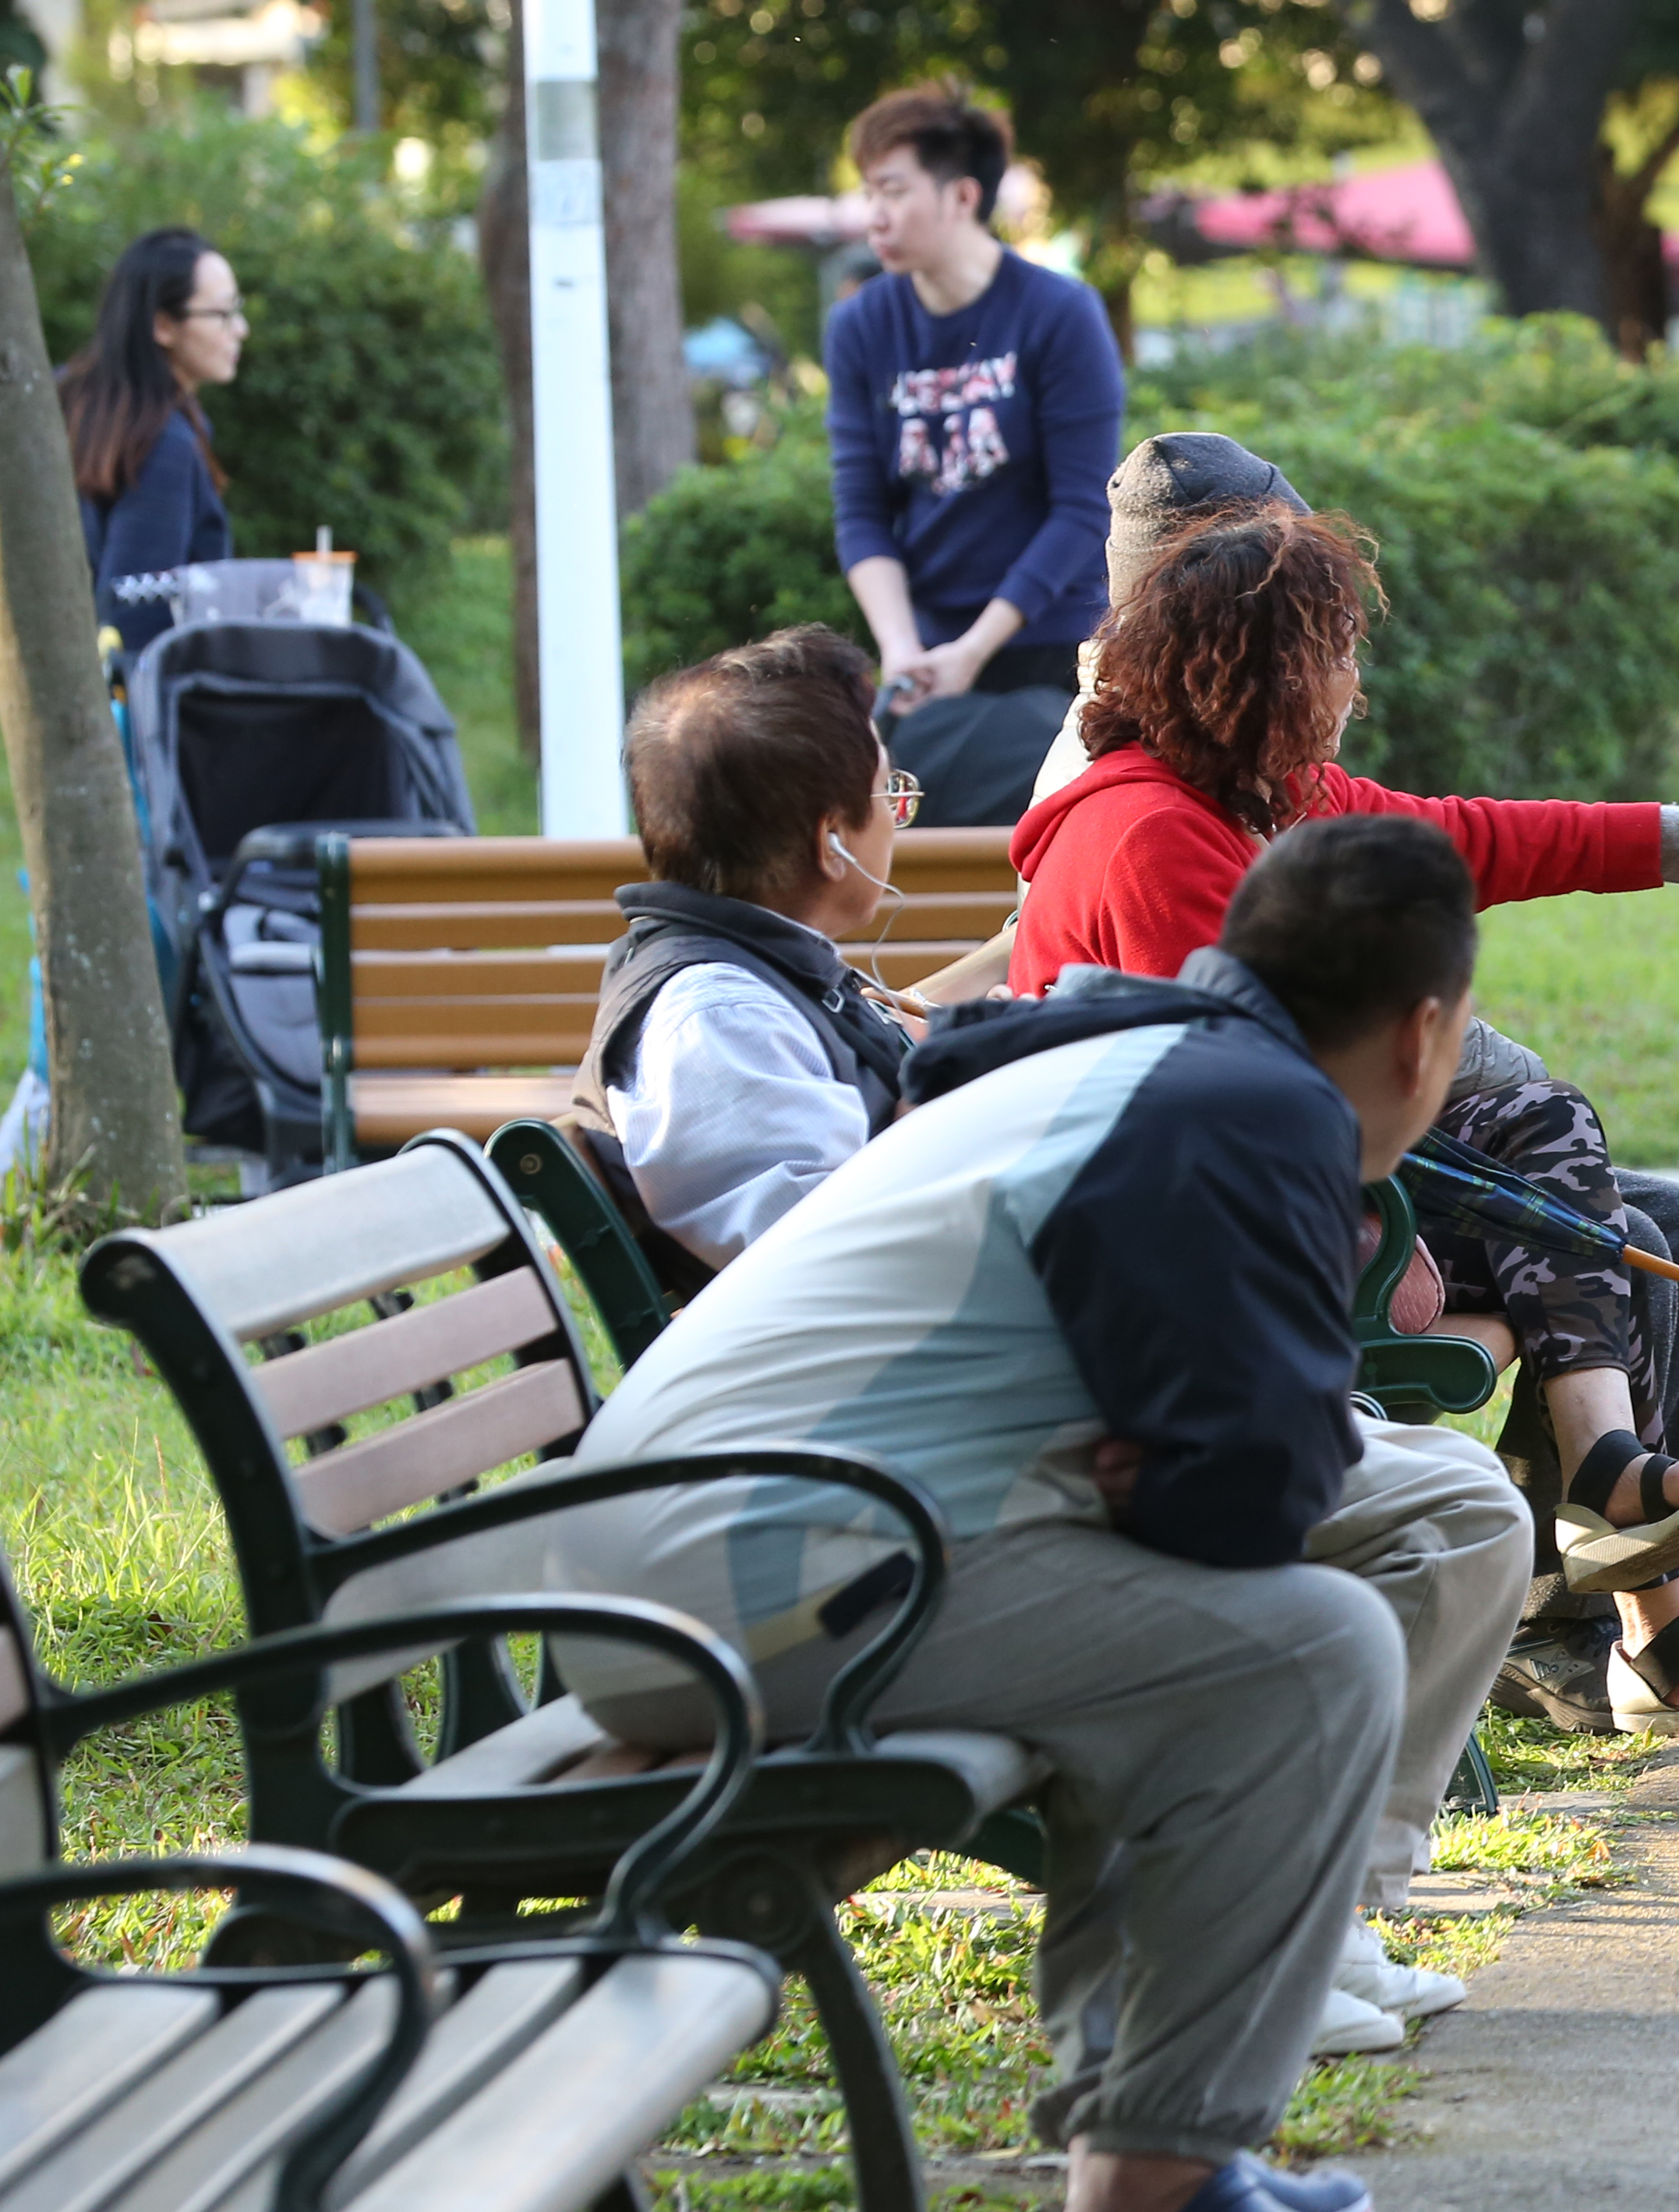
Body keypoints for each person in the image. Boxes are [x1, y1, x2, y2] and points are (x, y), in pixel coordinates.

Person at [553, 815, 1532, 2212]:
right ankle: (1161, 2175)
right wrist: (1191, 1466)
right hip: (743, 1579)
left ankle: (1148, 2152)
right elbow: (1252, 1495)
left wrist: (1195, 1465)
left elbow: (1233, 1469)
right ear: (1422, 1034)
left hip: (678, 1560)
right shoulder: (1252, 1112)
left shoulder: (1139, 1058)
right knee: (1306, 1647)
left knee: (1216, 1624)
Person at [1014, 501, 1679, 1737]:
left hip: (1284, 1197)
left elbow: (1459, 836)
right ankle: (1635, 1600)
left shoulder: (1252, 793)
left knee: (1661, 1225)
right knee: (1601, 1189)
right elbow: (1242, 1110)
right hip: (1213, 1254)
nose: (1356, 683)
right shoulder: (1151, 837)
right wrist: (1393, 1237)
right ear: (1268, 674)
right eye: (1339, 651)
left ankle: (1592, 1608)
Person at [569, 626, 921, 1281]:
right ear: (833, 840)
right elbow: (828, 1265)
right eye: (887, 793)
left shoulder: (756, 975)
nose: (897, 817)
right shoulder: (720, 1021)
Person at [826, 83, 1123, 824]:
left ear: (962, 195)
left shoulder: (1059, 313)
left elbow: (1084, 509)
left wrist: (978, 646)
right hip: (924, 656)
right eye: (869, 193)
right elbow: (862, 510)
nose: (876, 216)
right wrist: (903, 647)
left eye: (893, 190)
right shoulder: (862, 324)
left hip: (1053, 644)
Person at [62, 226, 244, 659]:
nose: (241, 329)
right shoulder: (163, 444)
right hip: (133, 710)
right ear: (163, 325)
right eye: (222, 314)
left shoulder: (68, 401)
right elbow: (136, 617)